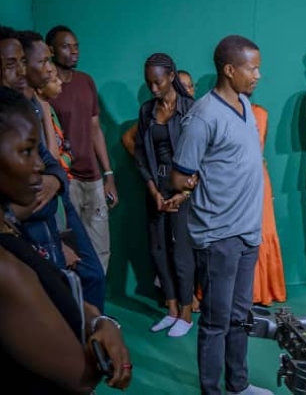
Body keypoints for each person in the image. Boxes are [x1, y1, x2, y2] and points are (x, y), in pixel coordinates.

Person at [0, 86, 132, 393]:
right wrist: (106, 329)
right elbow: (82, 376)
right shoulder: (5, 269)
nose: (38, 165)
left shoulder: (10, 225)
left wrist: (99, 320)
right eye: (26, 151)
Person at [171, 35, 271, 395]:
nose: (258, 74)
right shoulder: (202, 115)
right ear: (230, 70)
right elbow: (180, 175)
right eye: (252, 67)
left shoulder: (245, 103)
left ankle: (238, 386)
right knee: (215, 323)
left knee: (240, 317)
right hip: (217, 237)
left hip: (247, 232)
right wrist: (194, 187)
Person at [0, 28, 105, 310]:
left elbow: (51, 163)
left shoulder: (31, 105)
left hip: (54, 205)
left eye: (24, 62)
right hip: (35, 224)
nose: (21, 71)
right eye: (13, 64)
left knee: (93, 276)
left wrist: (56, 179)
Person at [134, 54, 196, 337]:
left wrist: (183, 193)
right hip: (156, 187)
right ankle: (171, 311)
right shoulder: (147, 111)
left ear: (171, 76)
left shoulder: (192, 109)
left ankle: (186, 312)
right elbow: (139, 155)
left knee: (181, 253)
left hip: (183, 188)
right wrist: (153, 191)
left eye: (157, 82)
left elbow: (203, 157)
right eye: (149, 84)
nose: (153, 88)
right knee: (158, 250)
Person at [46, 25, 116, 273]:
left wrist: (108, 174)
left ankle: (96, 309)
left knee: (101, 248)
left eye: (76, 46)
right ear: (51, 50)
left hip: (93, 178)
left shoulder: (86, 81)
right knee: (71, 250)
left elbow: (95, 129)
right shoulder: (48, 89)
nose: (74, 51)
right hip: (68, 179)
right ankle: (78, 308)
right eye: (67, 46)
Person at [251, 102, 286, 306]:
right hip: (232, 182)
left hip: (260, 181)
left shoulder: (261, 114)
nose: (256, 76)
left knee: (264, 231)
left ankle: (263, 290)